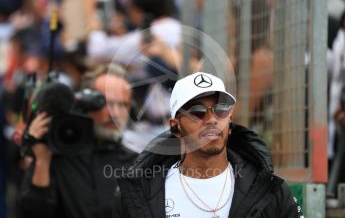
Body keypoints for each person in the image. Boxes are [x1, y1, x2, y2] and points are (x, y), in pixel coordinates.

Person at [112, 72, 304, 218]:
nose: (212, 119)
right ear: (175, 127)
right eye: (197, 111)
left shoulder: (268, 190)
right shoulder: (138, 194)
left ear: (230, 122)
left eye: (221, 110)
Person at [18, 65, 137, 218]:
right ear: (85, 102)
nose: (114, 113)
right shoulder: (56, 154)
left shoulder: (136, 164)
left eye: (123, 104)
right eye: (106, 102)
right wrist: (42, 160)